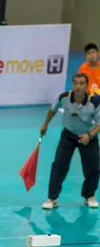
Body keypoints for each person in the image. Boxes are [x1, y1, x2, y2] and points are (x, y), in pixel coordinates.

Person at [40, 73, 100, 210]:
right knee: (59, 164)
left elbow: (99, 123)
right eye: (75, 83)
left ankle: (89, 196)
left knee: (93, 167)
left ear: (87, 86)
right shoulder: (64, 98)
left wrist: (89, 136)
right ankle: (52, 198)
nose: (78, 86)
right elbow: (52, 110)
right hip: (68, 135)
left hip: (88, 137)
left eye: (81, 83)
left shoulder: (94, 102)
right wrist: (45, 125)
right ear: (72, 84)